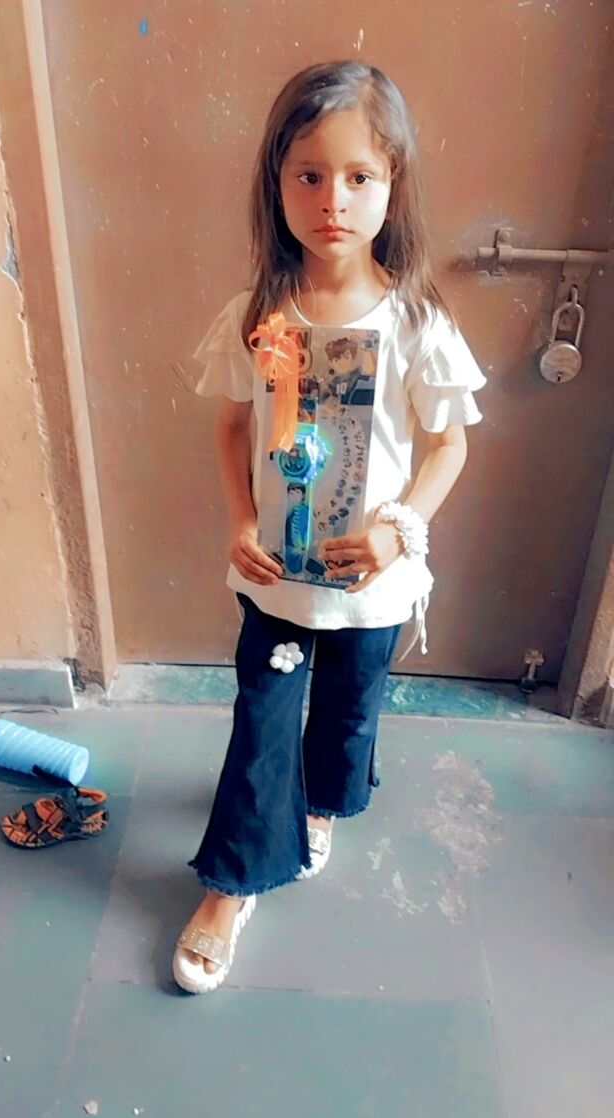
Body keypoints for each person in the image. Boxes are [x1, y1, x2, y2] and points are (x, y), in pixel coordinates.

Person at [173, 61, 486, 994]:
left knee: (347, 717)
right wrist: (239, 517)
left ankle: (321, 806)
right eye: (308, 175)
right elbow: (232, 426)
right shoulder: (258, 316)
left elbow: (450, 447)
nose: (333, 201)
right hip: (278, 578)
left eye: (359, 176)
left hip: (370, 585)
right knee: (262, 720)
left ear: (394, 184)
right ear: (276, 181)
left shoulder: (418, 322)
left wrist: (400, 532)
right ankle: (231, 883)